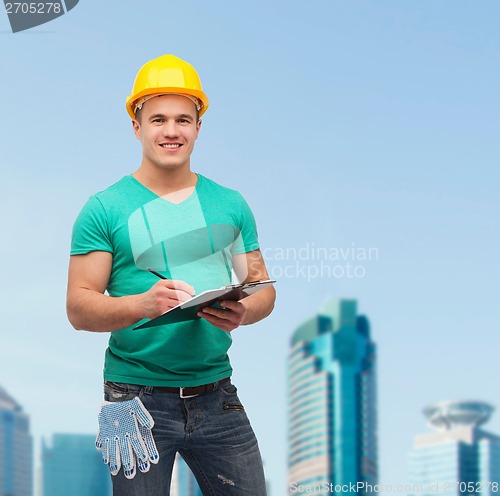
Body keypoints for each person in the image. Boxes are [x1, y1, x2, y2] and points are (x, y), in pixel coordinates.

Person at [66, 54, 276, 495]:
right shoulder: (104, 208)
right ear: (136, 125)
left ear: (198, 127)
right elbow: (79, 307)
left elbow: (263, 289)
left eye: (184, 119)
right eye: (158, 118)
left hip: (217, 394)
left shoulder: (231, 204)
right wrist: (142, 305)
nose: (171, 130)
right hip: (134, 399)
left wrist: (244, 311)